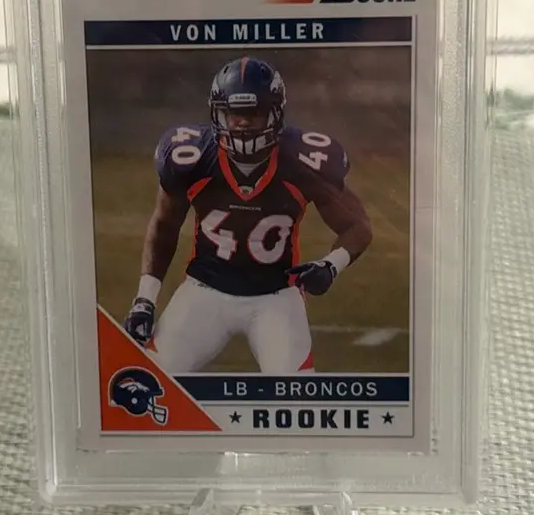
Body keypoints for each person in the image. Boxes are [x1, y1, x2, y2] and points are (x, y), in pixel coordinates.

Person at [123, 55, 372, 374]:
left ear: (275, 114)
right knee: (151, 383)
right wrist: (144, 299)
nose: (242, 123)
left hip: (276, 298)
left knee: (296, 398)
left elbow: (357, 226)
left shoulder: (303, 162)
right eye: (234, 114)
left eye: (253, 114)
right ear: (218, 113)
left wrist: (331, 265)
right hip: (204, 292)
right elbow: (164, 226)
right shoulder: (191, 157)